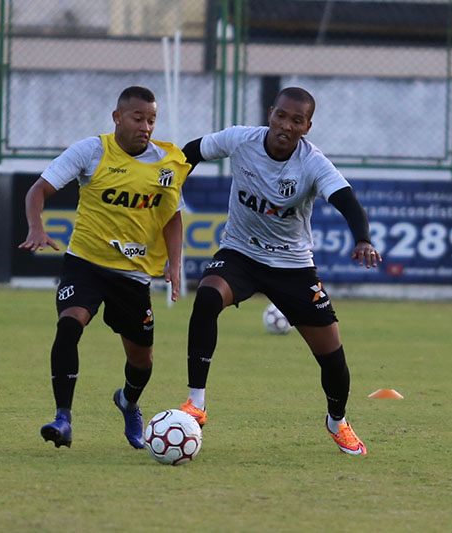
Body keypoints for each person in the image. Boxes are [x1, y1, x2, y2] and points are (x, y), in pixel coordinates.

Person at [176, 87, 381, 455]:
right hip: (240, 254)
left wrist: (363, 239)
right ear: (271, 114)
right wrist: (171, 185)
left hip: (292, 267)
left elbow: (348, 202)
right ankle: (196, 403)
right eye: (281, 116)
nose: (286, 125)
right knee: (207, 297)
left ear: (307, 126)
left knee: (332, 355)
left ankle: (337, 421)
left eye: (296, 120)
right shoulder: (241, 140)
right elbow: (189, 153)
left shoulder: (313, 163)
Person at [19, 86, 191, 449]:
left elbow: (172, 216)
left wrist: (175, 263)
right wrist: (36, 226)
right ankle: (62, 418)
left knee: (142, 361)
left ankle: (128, 401)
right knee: (69, 325)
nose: (146, 126)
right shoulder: (92, 151)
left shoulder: (166, 163)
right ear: (117, 117)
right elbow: (38, 190)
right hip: (85, 263)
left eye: (151, 120)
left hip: (133, 276)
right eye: (138, 118)